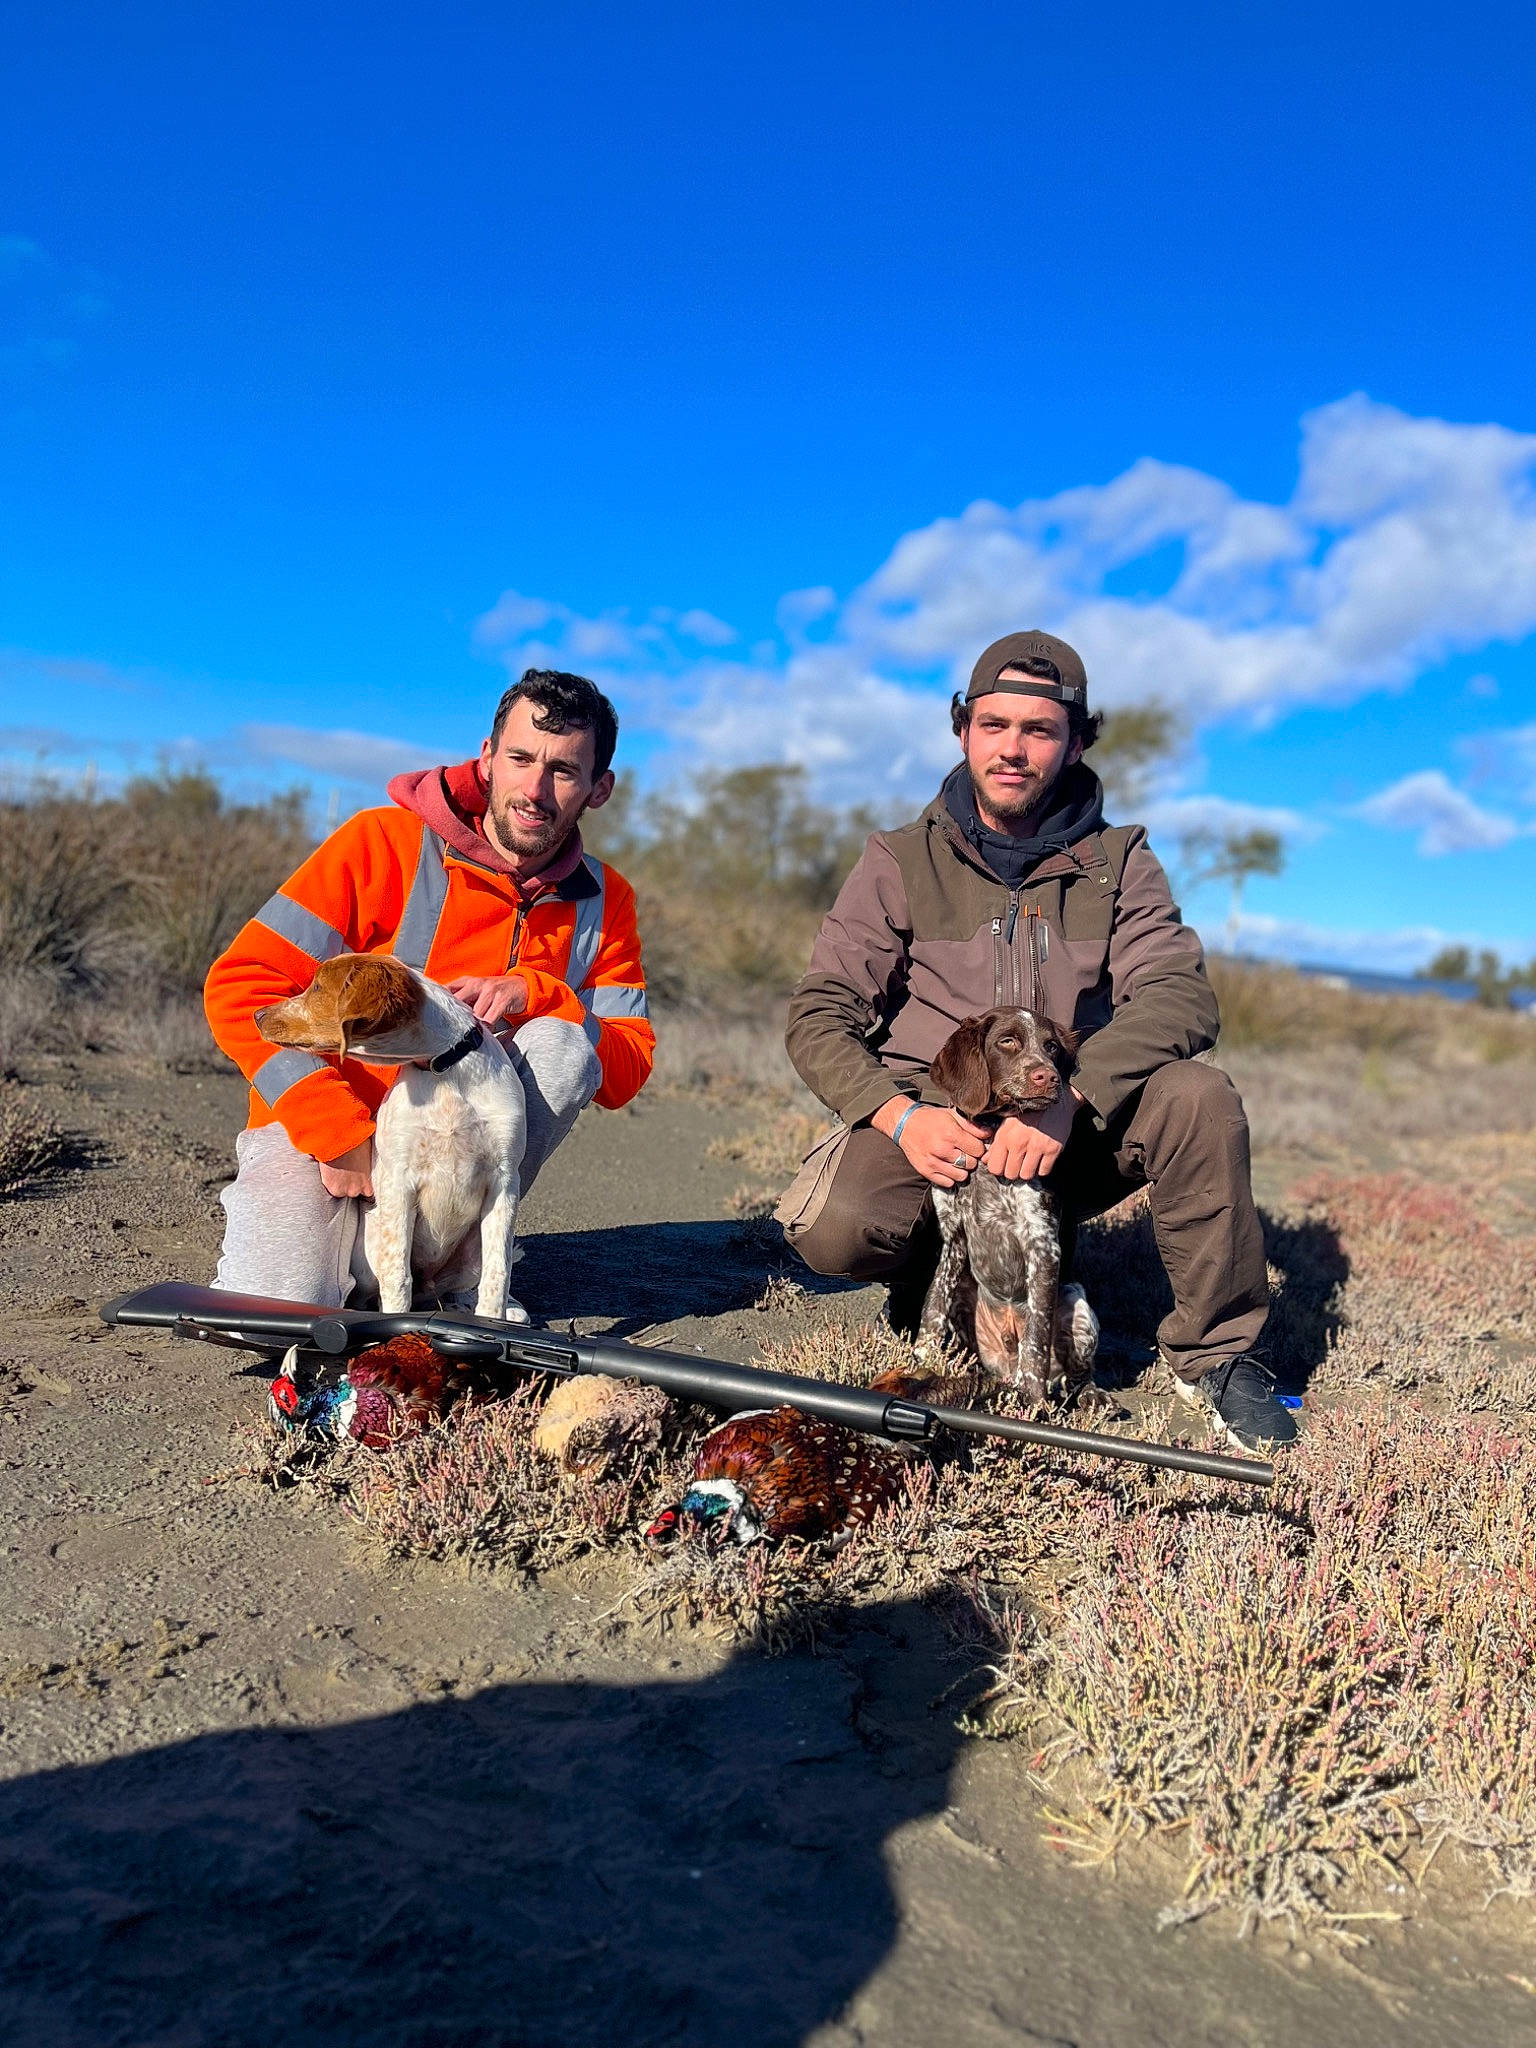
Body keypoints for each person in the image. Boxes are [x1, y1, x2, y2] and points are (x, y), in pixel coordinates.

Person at [779, 629, 1295, 1453]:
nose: (1012, 749)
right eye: (994, 725)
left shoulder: (1120, 860)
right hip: (941, 1130)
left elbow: (1180, 994)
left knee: (1199, 1097)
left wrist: (1074, 1097)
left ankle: (1218, 1359)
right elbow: (820, 1012)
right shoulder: (900, 859)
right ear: (963, 730)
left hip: (1072, 1126)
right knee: (837, 1227)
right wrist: (901, 1118)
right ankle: (945, 1277)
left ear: (1078, 741)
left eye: (1040, 729)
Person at [204, 667, 651, 1307]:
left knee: (561, 1044)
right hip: (331, 1140)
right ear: (488, 758)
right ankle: (336, 1265)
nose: (535, 789)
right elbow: (240, 986)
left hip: (457, 1160)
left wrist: (542, 994)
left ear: (598, 788)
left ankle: (457, 1270)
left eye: (563, 770)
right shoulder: (380, 843)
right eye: (521, 758)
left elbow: (626, 1069)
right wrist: (337, 1131)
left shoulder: (606, 903)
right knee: (273, 1308)